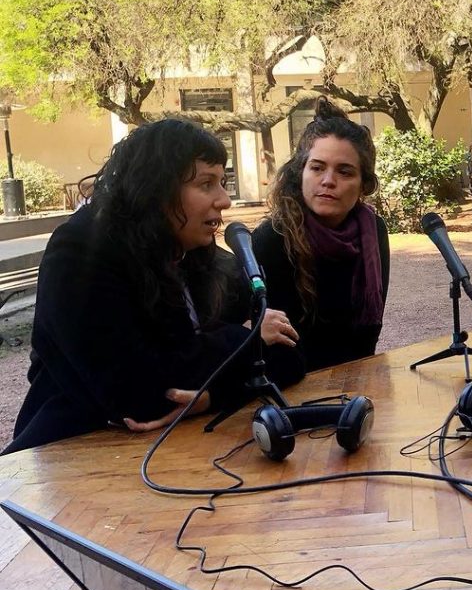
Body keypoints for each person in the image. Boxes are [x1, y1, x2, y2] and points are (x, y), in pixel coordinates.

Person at [4, 120, 296, 454]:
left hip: (185, 448)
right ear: (157, 189)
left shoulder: (200, 253)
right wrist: (245, 337)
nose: (224, 200)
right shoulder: (82, 251)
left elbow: (290, 356)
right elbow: (138, 395)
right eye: (206, 184)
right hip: (75, 451)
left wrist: (210, 396)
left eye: (223, 182)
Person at [253, 98, 390, 373]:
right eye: (317, 168)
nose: (328, 181)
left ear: (364, 184)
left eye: (344, 172)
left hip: (358, 377)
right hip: (293, 382)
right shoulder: (272, 238)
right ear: (300, 172)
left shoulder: (373, 231)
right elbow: (275, 345)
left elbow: (368, 335)